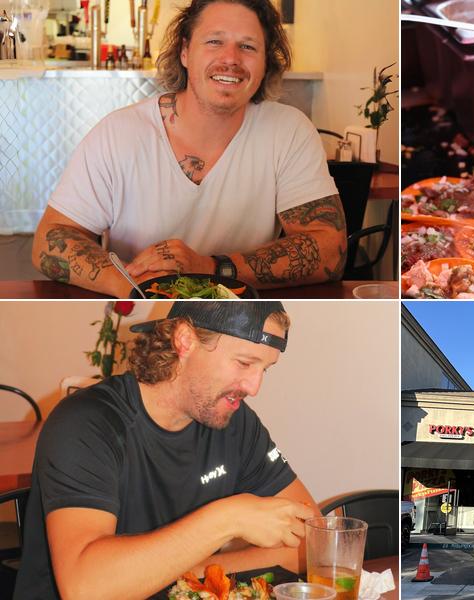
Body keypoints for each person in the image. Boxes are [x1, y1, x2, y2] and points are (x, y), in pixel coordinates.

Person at [31, 0, 347, 298]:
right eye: (214, 41)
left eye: (248, 46)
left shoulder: (288, 131)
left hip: (242, 317)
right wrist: (137, 288)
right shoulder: (118, 134)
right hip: (138, 317)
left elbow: (330, 250)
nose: (231, 59)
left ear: (266, 63)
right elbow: (51, 239)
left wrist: (211, 268)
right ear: (185, 51)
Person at [14, 301, 319, 599]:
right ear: (185, 340)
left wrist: (186, 571)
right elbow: (86, 589)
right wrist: (229, 518)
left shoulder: (236, 423)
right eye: (244, 363)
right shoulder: (87, 422)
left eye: (266, 369)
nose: (254, 387)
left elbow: (314, 542)